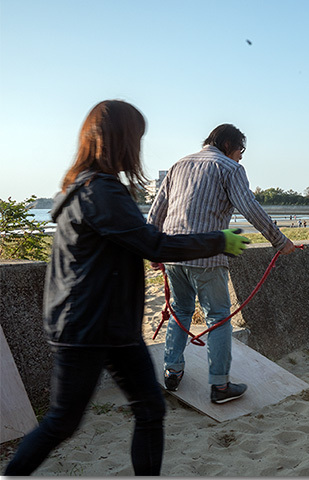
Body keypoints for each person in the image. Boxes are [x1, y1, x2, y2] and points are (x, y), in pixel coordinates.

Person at [4, 101, 250, 476]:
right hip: (86, 328)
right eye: (136, 138)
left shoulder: (87, 186)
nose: (138, 148)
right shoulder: (99, 191)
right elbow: (154, 243)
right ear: (119, 141)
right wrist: (218, 240)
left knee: (150, 407)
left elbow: (144, 238)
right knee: (62, 422)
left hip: (111, 325)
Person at [147, 123, 296, 404]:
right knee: (218, 315)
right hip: (208, 254)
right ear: (229, 145)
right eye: (240, 151)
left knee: (179, 310)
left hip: (173, 253)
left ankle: (172, 371)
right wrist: (280, 241)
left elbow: (157, 210)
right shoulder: (229, 168)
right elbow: (250, 207)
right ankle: (220, 386)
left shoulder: (179, 164)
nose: (241, 157)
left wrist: (153, 251)